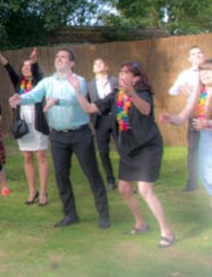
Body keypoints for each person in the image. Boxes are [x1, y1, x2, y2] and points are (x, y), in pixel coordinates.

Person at [68, 63, 176, 248]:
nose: (121, 75)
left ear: (136, 78)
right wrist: (78, 91)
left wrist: (131, 93)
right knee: (124, 189)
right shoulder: (115, 95)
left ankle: (167, 231)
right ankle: (141, 223)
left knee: (145, 190)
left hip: (147, 147)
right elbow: (89, 108)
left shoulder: (142, 93)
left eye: (126, 72)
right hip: (128, 148)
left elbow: (146, 110)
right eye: (120, 72)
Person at [9, 49, 110, 229]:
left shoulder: (78, 81)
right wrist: (19, 98)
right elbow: (34, 95)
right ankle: (70, 214)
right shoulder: (47, 82)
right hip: (57, 136)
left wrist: (56, 101)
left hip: (80, 134)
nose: (59, 59)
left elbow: (72, 99)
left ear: (72, 63)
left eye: (63, 57)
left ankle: (104, 215)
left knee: (92, 174)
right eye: (57, 57)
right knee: (61, 176)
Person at [0, 47, 49, 205]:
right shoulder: (18, 83)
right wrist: (0, 56)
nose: (26, 68)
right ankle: (32, 191)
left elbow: (36, 72)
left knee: (41, 157)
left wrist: (33, 60)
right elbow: (8, 69)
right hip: (23, 125)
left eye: (29, 66)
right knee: (27, 157)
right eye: (24, 66)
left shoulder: (39, 82)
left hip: (38, 123)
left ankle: (43, 192)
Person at [162, 58, 212, 211]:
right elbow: (182, 116)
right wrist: (172, 119)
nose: (205, 74)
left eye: (208, 70)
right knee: (208, 178)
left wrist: (209, 124)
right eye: (202, 71)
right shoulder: (198, 94)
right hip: (205, 140)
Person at [169, 46, 206, 191]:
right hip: (194, 114)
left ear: (203, 56)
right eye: (193, 54)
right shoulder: (186, 74)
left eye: (199, 53)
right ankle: (192, 181)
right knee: (193, 149)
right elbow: (172, 90)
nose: (197, 56)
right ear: (189, 58)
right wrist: (181, 88)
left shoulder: (209, 69)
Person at [87, 58, 119, 191]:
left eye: (101, 63)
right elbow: (87, 104)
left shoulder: (116, 81)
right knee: (103, 152)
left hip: (116, 119)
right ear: (93, 69)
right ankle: (110, 180)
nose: (98, 65)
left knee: (123, 149)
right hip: (100, 121)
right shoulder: (89, 85)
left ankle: (127, 180)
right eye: (95, 64)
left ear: (107, 67)